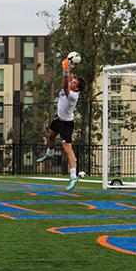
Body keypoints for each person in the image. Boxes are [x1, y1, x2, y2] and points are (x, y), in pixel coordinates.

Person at [36, 53, 86, 191]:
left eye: (74, 83)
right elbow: (70, 76)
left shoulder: (73, 96)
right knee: (51, 135)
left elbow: (65, 85)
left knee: (67, 148)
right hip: (58, 118)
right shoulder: (72, 84)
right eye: (73, 81)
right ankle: (50, 154)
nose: (72, 82)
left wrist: (66, 71)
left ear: (77, 89)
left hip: (66, 124)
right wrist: (70, 65)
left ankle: (73, 176)